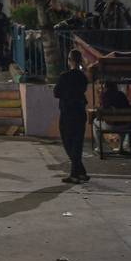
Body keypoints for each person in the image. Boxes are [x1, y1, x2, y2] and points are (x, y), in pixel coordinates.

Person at [54, 49, 90, 183]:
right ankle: (80, 172)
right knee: (77, 142)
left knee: (68, 142)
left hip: (68, 112)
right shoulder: (82, 77)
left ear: (70, 60)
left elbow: (56, 93)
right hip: (80, 111)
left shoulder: (65, 76)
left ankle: (76, 173)